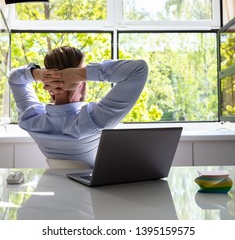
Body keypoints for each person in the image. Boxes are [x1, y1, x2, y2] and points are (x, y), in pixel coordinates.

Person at [8, 46, 148, 168]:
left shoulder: (31, 120)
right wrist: (80, 74)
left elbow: (14, 78)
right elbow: (138, 69)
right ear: (80, 83)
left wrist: (39, 74)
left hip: (56, 187)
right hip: (93, 193)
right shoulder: (94, 121)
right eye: (82, 74)